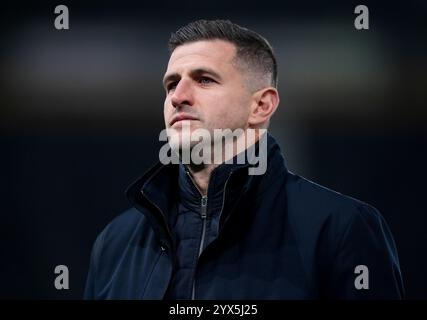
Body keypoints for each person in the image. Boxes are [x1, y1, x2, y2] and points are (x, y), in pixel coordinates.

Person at [84, 19, 404, 299]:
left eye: (204, 79)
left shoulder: (341, 228)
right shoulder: (114, 243)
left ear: (261, 106)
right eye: (171, 84)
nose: (177, 96)